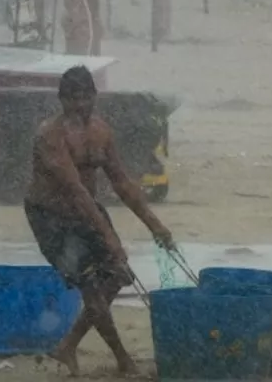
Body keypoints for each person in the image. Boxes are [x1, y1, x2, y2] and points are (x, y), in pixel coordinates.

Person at [24, 65, 175, 377]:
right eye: (73, 99)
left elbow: (122, 183)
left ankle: (67, 346)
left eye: (86, 97)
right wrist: (110, 239)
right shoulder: (50, 136)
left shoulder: (101, 131)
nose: (80, 105)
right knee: (91, 287)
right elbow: (75, 190)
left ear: (94, 96)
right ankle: (123, 359)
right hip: (51, 216)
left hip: (86, 209)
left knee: (119, 274)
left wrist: (155, 225)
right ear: (62, 100)